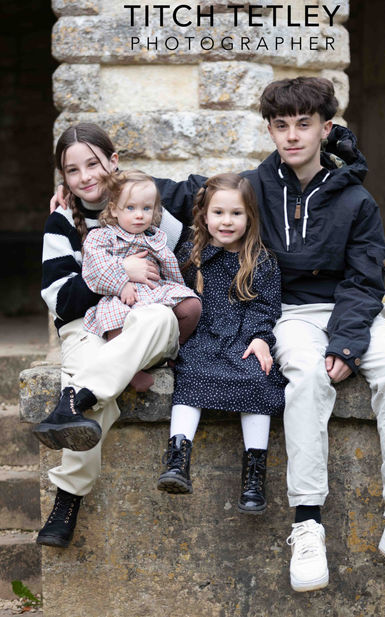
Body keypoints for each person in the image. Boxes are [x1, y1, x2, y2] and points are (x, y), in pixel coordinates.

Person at [151, 77, 385, 589]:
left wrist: (347, 343)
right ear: (270, 129)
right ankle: (307, 524)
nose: (291, 135)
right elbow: (178, 192)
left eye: (304, 124)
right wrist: (100, 185)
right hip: (291, 315)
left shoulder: (356, 200)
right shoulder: (254, 188)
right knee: (305, 376)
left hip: (354, 312)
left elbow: (365, 280)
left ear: (325, 129)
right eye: (281, 125)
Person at [34, 123, 184, 548]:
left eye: (93, 164)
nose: (85, 177)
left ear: (113, 161)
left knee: (160, 319)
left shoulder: (146, 205)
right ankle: (68, 498)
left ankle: (73, 399)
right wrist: (121, 273)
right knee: (87, 367)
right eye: (72, 170)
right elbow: (61, 301)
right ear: (64, 178)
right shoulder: (61, 222)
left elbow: (204, 213)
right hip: (86, 326)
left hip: (143, 326)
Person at [156, 173, 286, 514]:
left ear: (250, 217)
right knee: (190, 373)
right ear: (204, 215)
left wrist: (260, 338)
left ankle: (254, 473)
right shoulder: (191, 254)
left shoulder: (261, 260)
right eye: (218, 213)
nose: (226, 221)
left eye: (236, 214)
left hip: (242, 338)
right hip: (202, 338)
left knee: (258, 376)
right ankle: (177, 458)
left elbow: (265, 307)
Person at [81, 169, 201, 390]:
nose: (139, 215)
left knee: (192, 306)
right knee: (116, 320)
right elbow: (95, 265)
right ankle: (130, 369)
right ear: (114, 209)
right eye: (130, 208)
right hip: (123, 296)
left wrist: (176, 290)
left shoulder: (156, 236)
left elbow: (170, 268)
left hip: (154, 291)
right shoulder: (102, 236)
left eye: (146, 208)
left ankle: (176, 350)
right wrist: (121, 283)